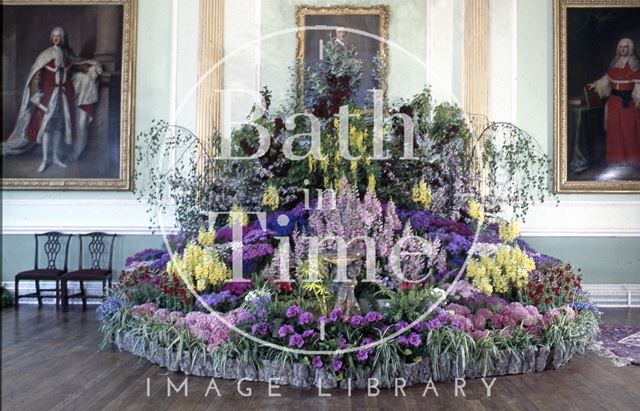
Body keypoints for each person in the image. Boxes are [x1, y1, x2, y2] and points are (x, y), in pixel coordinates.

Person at [3, 26, 101, 172]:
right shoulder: (45, 55)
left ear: (63, 38)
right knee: (47, 128)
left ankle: (55, 157)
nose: (57, 38)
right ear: (51, 38)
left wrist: (94, 68)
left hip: (64, 97)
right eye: (54, 36)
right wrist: (36, 95)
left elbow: (79, 65)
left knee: (59, 128)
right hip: (49, 96)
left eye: (59, 36)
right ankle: (45, 159)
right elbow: (36, 76)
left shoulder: (67, 55)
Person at [588, 38, 640, 165]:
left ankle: (632, 160)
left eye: (625, 47)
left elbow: (638, 88)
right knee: (614, 130)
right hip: (613, 103)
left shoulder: (634, 66)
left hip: (628, 103)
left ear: (630, 49)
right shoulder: (615, 64)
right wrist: (596, 85)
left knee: (629, 131)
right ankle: (617, 159)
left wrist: (638, 99)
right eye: (621, 47)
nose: (623, 49)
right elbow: (605, 81)